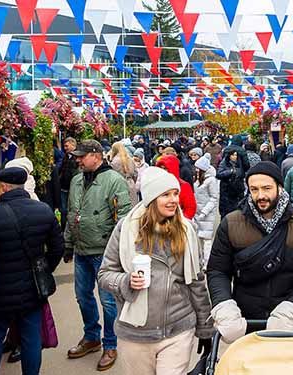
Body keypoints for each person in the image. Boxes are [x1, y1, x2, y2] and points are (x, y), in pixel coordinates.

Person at [97, 167, 214, 375]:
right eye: (166, 195)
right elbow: (105, 274)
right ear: (151, 198)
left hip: (178, 329)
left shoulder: (187, 230)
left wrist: (205, 328)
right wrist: (126, 282)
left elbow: (197, 281)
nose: (173, 200)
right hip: (136, 333)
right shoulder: (126, 229)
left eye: (175, 194)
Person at [208, 161, 293, 343]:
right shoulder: (231, 223)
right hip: (245, 321)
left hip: (290, 321)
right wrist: (224, 305)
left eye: (267, 188)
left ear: (280, 187)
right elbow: (218, 270)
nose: (261, 195)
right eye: (254, 189)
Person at [0, 168, 62, 375]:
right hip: (32, 289)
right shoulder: (43, 210)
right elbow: (57, 247)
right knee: (31, 338)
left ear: (4, 187)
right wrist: (43, 270)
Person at [64, 140, 132, 370]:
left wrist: (116, 252)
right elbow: (72, 213)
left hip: (104, 252)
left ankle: (110, 344)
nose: (78, 160)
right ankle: (91, 336)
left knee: (108, 301)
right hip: (81, 249)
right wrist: (67, 243)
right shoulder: (76, 180)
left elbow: (124, 218)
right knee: (82, 296)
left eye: (82, 156)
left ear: (96, 155)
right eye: (77, 156)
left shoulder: (114, 180)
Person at [193, 154, 220, 266]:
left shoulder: (211, 180)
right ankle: (200, 261)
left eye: (198, 168)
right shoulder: (199, 179)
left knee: (206, 239)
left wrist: (205, 211)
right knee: (198, 239)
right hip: (198, 213)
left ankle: (207, 263)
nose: (196, 169)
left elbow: (214, 198)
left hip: (207, 214)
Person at [155, 155, 197, 220]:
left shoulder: (183, 186)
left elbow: (190, 208)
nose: (163, 171)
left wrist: (181, 222)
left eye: (165, 168)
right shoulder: (156, 184)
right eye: (161, 168)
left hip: (177, 224)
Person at [216, 146, 248, 217]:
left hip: (237, 191)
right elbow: (218, 174)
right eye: (233, 155)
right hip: (226, 191)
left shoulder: (239, 163)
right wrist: (230, 172)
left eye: (236, 155)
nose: (235, 157)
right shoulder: (224, 163)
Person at [110, 141, 139, 206]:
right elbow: (135, 174)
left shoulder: (114, 161)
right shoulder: (130, 159)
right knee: (132, 206)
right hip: (130, 184)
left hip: (119, 186)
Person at [59, 137, 79, 229]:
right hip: (64, 188)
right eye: (64, 146)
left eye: (66, 146)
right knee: (63, 210)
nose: (65, 148)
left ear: (73, 145)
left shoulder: (77, 158)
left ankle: (71, 227)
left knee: (71, 209)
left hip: (72, 188)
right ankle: (64, 228)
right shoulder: (66, 157)